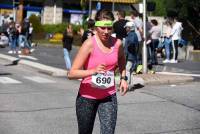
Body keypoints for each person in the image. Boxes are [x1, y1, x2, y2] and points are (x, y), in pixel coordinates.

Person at [67, 9, 128, 134]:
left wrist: (123, 78)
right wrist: (93, 71)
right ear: (96, 27)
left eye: (109, 28)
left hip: (108, 96)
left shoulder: (117, 44)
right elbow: (71, 73)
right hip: (87, 97)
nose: (106, 32)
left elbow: (122, 59)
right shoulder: (89, 44)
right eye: (102, 28)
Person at [124, 21, 138, 86]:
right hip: (131, 55)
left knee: (127, 69)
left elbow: (132, 43)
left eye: (127, 27)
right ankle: (130, 85)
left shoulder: (131, 34)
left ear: (130, 28)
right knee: (130, 70)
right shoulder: (132, 34)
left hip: (130, 55)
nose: (126, 28)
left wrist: (129, 49)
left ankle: (126, 84)